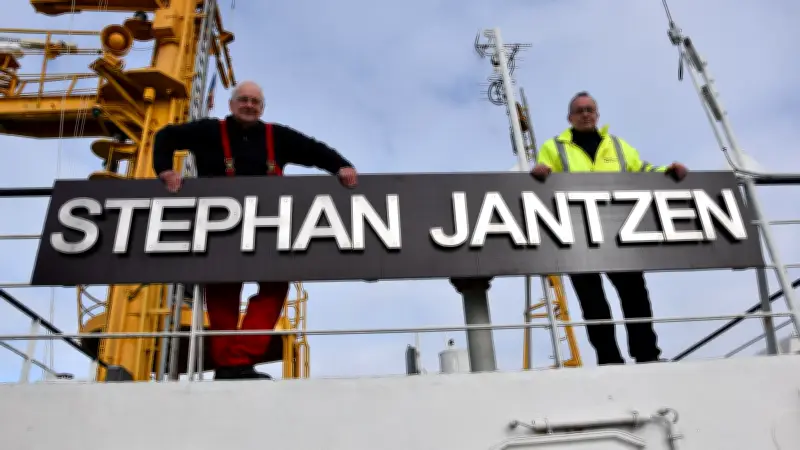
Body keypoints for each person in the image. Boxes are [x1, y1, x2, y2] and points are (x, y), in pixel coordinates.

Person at [152, 80, 358, 380]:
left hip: (267, 225)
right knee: (222, 292)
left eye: (256, 102)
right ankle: (228, 365)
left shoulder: (277, 135)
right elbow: (166, 136)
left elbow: (314, 150)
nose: (250, 106)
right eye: (244, 100)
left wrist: (341, 166)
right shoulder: (208, 131)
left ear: (262, 108)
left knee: (276, 284)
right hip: (219, 225)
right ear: (232, 104)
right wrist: (165, 169)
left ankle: (239, 359)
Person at [530, 91, 688, 366]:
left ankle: (647, 355)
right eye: (579, 110)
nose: (585, 114)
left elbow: (642, 169)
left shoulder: (617, 145)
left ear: (597, 114)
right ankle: (609, 359)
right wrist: (539, 172)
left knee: (635, 294)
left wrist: (668, 170)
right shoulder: (554, 147)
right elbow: (544, 173)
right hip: (577, 233)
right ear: (570, 117)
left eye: (590, 109)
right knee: (593, 302)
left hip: (618, 231)